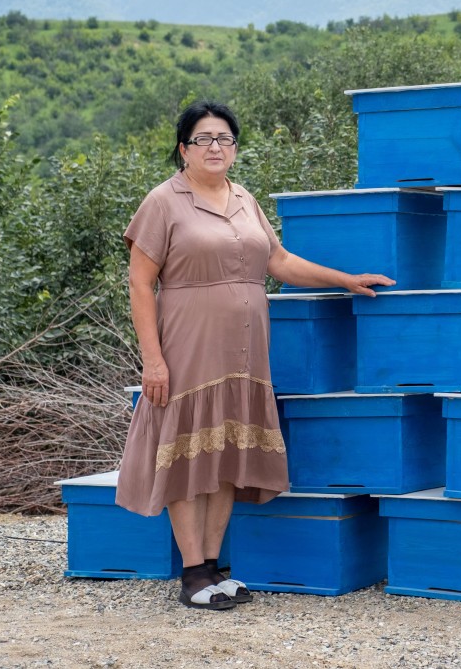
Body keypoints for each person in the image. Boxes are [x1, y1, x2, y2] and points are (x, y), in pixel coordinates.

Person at [115, 100, 393, 609]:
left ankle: (213, 566)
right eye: (204, 139)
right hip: (188, 344)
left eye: (225, 139)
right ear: (183, 149)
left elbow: (280, 262)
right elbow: (139, 282)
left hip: (245, 352)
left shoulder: (244, 198)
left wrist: (345, 281)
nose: (215, 147)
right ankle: (193, 573)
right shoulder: (163, 201)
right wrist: (152, 360)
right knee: (187, 454)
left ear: (236, 149)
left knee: (225, 456)